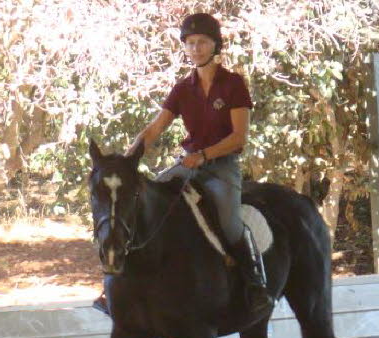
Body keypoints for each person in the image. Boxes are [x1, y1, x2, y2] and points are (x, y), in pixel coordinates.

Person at [93, 12, 273, 316]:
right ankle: (114, 287)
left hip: (221, 167)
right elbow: (153, 130)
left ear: (215, 45)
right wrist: (127, 161)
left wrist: (204, 156)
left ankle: (255, 284)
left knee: (230, 226)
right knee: (141, 202)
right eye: (190, 43)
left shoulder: (233, 84)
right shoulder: (181, 89)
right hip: (187, 164)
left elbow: (239, 138)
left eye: (202, 42)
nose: (196, 49)